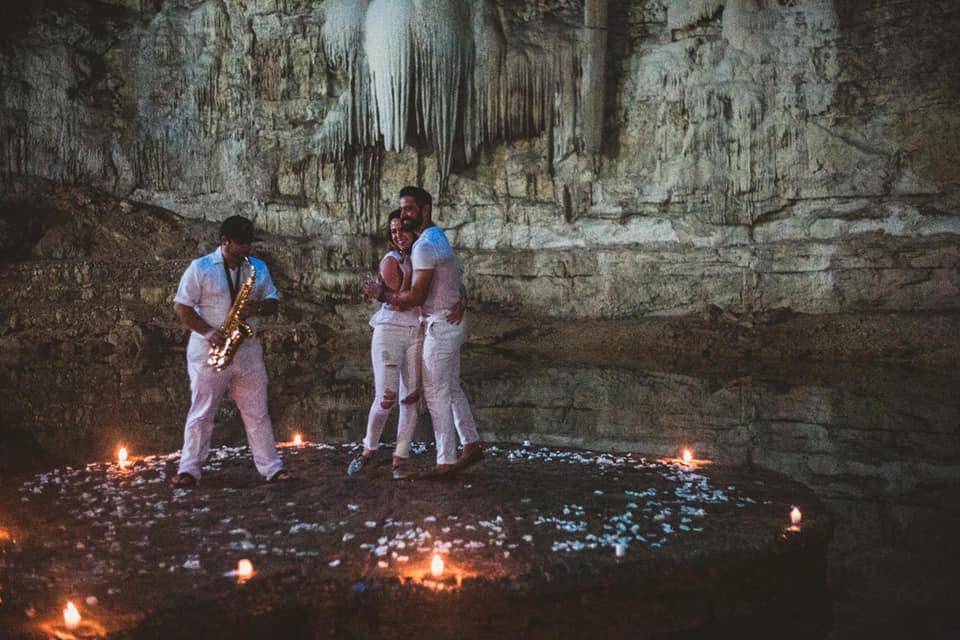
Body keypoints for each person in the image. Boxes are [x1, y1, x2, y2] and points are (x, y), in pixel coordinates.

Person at [363, 186, 483, 477]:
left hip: (440, 326)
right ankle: (471, 444)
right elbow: (453, 278)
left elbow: (416, 297)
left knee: (435, 393)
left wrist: (382, 296)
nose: (404, 215)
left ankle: (446, 461)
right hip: (448, 322)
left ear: (425, 209)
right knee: (452, 388)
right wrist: (461, 299)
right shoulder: (437, 236)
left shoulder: (424, 247)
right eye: (402, 209)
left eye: (409, 209)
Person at [169, 215, 292, 486]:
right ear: (224, 241)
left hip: (247, 351)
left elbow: (273, 301)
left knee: (257, 413)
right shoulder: (200, 268)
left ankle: (272, 468)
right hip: (209, 350)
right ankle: (189, 469)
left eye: (249, 243)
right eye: (240, 244)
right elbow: (182, 307)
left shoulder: (256, 268)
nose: (246, 250)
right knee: (202, 412)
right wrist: (209, 333)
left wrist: (256, 308)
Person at [349, 211, 422, 480]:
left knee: (411, 397)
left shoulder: (424, 253)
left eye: (403, 229)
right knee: (386, 397)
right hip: (390, 329)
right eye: (393, 232)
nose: (398, 236)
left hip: (417, 330)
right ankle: (369, 448)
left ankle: (400, 458)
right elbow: (400, 298)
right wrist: (387, 290)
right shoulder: (390, 260)